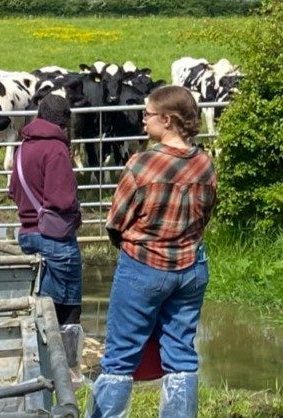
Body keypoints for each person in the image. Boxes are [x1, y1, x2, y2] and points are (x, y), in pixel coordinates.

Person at [87, 85, 217, 418]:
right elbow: (206, 215)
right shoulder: (205, 163)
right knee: (181, 355)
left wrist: (134, 245)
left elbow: (116, 222)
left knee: (119, 357)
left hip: (144, 267)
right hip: (190, 267)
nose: (143, 121)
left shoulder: (142, 165)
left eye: (147, 115)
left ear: (168, 120)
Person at [9, 93, 82, 326]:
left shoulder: (22, 147)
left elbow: (12, 190)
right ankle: (65, 363)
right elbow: (62, 199)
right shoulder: (56, 149)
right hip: (55, 241)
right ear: (64, 124)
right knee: (65, 315)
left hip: (27, 235)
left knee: (38, 312)